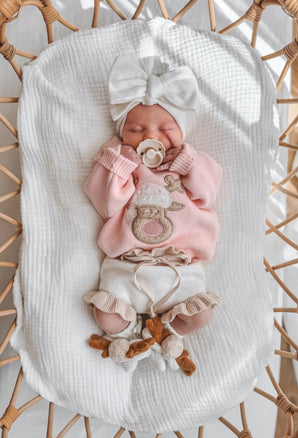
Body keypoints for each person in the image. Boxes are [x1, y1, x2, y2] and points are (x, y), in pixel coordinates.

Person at [84, 56, 222, 369]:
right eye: (136, 129)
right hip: (127, 268)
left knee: (201, 314)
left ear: (182, 131)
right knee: (105, 314)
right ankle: (131, 333)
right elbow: (105, 204)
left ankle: (169, 332)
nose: (152, 136)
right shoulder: (120, 162)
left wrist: (187, 163)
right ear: (123, 133)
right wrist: (118, 162)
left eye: (165, 128)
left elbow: (209, 193)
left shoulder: (189, 163)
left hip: (180, 269)